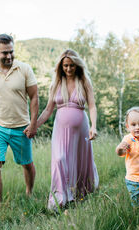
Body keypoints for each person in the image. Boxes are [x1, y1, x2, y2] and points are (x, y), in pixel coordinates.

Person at [0, 34, 39, 202]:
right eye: (5, 53)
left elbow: (34, 97)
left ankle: (29, 194)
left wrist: (33, 124)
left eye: (11, 52)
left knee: (27, 164)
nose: (9, 56)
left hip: (22, 127)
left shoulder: (24, 69)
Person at [37, 49, 99, 210]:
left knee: (78, 161)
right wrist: (34, 126)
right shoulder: (57, 83)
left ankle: (78, 194)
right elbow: (48, 110)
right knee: (59, 159)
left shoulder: (84, 82)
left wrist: (93, 126)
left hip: (81, 129)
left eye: (72, 65)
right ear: (61, 66)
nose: (69, 69)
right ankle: (58, 197)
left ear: (77, 65)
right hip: (60, 128)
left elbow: (91, 106)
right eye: (65, 65)